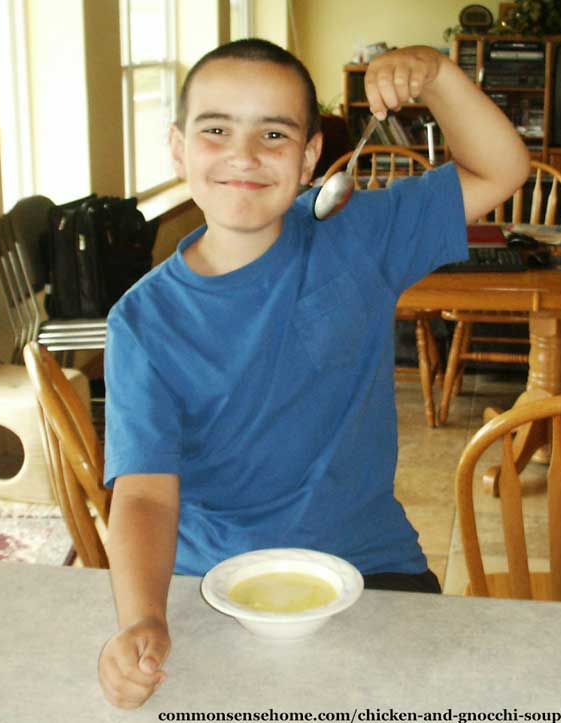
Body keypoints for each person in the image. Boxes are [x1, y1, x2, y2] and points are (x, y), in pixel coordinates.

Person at [98, 38, 530, 709]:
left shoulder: (356, 233)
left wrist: (439, 77)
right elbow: (147, 496)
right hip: (213, 584)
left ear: (308, 161)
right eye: (217, 130)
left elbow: (501, 169)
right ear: (179, 148)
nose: (244, 154)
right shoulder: (143, 322)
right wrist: (143, 618)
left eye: (273, 133)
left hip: (371, 566)